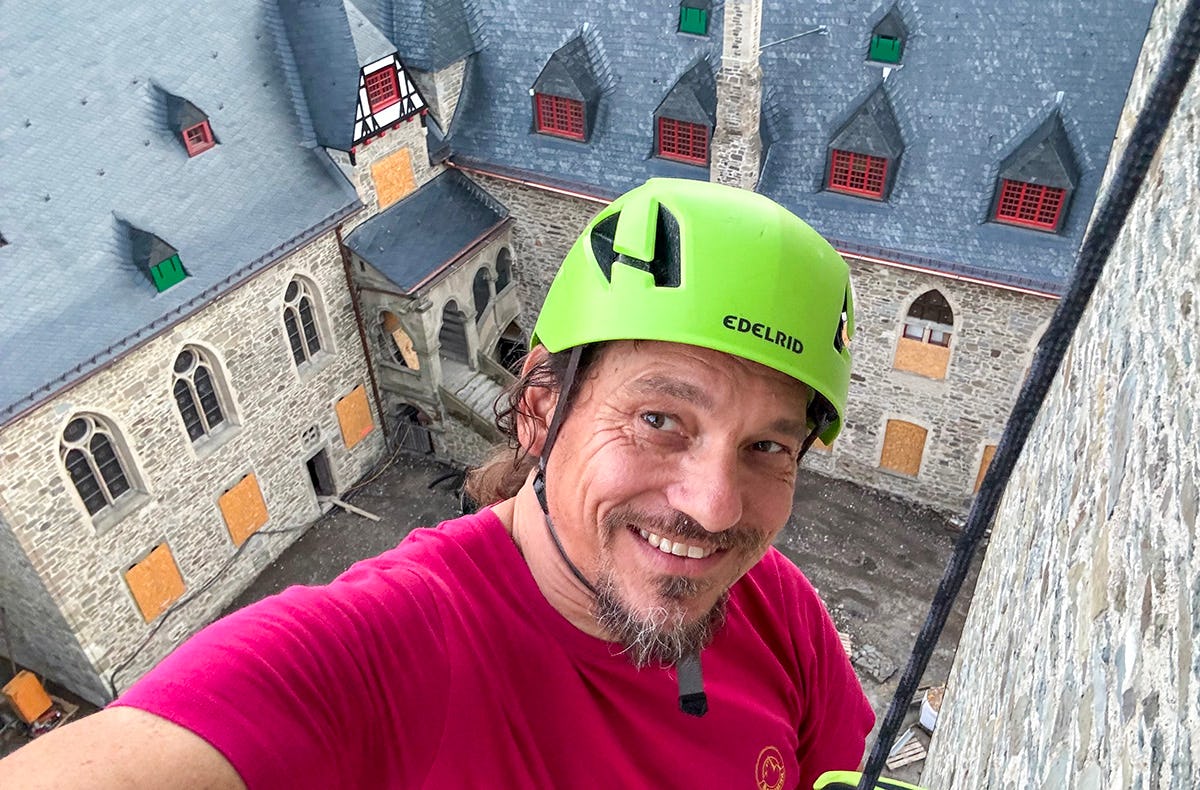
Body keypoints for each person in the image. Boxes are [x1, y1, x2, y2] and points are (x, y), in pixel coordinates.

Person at [0, 178, 873, 789]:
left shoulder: (776, 608)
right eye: (658, 419)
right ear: (541, 409)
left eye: (768, 446)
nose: (715, 506)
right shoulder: (388, 652)